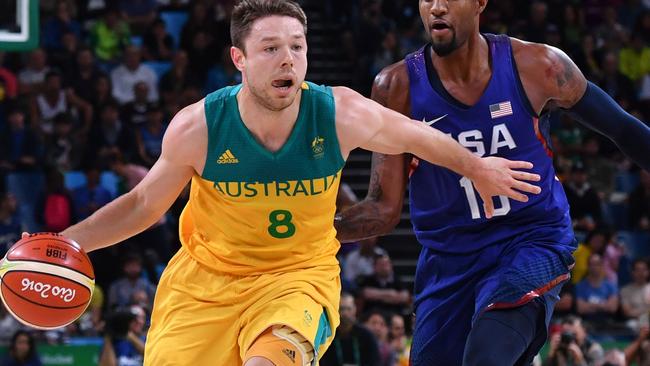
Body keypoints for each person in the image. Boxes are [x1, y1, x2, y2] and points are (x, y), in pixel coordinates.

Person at [24, 1, 540, 365]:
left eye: (297, 46)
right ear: (240, 59)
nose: (288, 58)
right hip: (205, 284)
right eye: (270, 48)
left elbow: (417, 137)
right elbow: (141, 205)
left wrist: (478, 167)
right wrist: (68, 242)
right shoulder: (199, 127)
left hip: (298, 278)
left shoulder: (338, 112)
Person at [334, 1, 650, 365]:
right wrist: (318, 229)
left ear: (480, 3)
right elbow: (384, 209)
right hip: (449, 259)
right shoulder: (396, 86)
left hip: (530, 240)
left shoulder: (539, 66)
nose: (436, 7)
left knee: (486, 356)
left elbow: (622, 128)